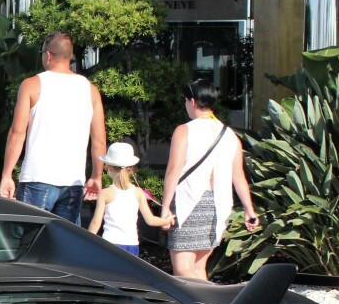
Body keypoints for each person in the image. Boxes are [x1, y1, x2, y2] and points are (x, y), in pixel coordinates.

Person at [0, 31, 107, 225]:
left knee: (30, 243)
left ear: (47, 55)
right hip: (73, 182)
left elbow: (17, 133)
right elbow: (99, 140)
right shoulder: (90, 90)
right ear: (70, 56)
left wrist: (7, 174)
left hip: (37, 177)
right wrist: (97, 176)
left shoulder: (31, 85)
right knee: (66, 246)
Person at [161, 79, 261, 280]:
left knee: (183, 271)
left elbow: (173, 171)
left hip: (188, 202)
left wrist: (164, 208)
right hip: (217, 206)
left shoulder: (184, 130)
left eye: (186, 100)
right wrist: (250, 210)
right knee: (198, 269)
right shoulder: (229, 134)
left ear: (192, 101)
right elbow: (238, 176)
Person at [87, 142, 175, 256]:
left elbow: (95, 223)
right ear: (131, 169)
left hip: (109, 244)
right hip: (131, 245)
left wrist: (87, 241)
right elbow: (151, 220)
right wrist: (167, 221)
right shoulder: (138, 193)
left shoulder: (105, 193)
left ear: (108, 167)